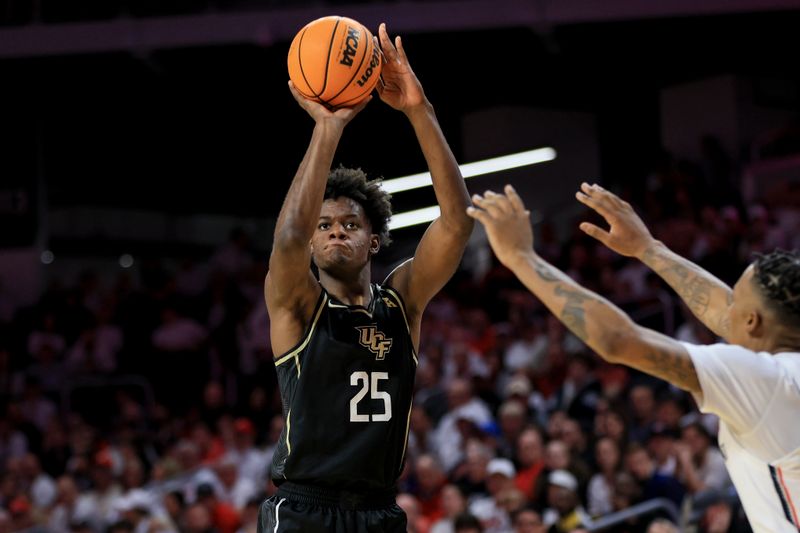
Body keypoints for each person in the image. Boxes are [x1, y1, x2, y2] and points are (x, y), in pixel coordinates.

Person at [466, 182, 800, 532]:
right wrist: (648, 249)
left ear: (752, 321)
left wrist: (521, 259)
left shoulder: (768, 381)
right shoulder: (780, 369)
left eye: (737, 302)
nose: (727, 306)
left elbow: (618, 339)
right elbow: (726, 313)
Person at [258, 22, 473, 533]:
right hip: (304, 508)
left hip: (379, 510)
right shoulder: (298, 306)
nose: (336, 234)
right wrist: (327, 128)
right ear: (313, 242)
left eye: (351, 225)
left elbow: (458, 221)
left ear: (374, 241)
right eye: (325, 226)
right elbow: (287, 240)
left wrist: (420, 111)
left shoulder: (401, 303)